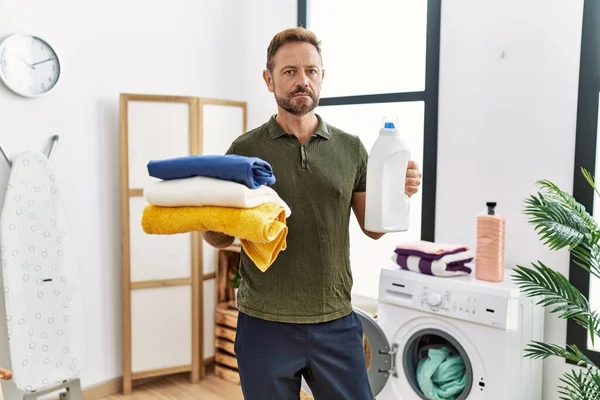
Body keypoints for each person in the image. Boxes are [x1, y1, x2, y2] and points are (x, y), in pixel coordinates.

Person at [203, 27, 422, 400]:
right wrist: (207, 211)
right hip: (264, 324)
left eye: (311, 71)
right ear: (268, 79)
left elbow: (374, 229)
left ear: (322, 77)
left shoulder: (351, 149)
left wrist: (398, 193)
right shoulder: (244, 149)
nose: (302, 80)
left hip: (335, 321)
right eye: (289, 72)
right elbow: (219, 238)